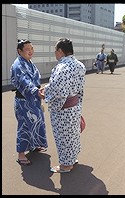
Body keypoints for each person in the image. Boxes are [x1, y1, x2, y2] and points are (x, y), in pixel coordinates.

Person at [42, 38, 86, 173]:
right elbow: (77, 87)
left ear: (60, 51)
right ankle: (72, 158)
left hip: (64, 109)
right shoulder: (79, 65)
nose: (55, 53)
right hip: (74, 106)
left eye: (55, 50)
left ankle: (66, 165)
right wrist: (48, 88)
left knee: (63, 136)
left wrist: (45, 93)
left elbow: (58, 90)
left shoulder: (62, 67)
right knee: (73, 134)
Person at [10, 39, 48, 165]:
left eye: (31, 48)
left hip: (33, 99)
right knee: (24, 126)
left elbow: (34, 81)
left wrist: (38, 90)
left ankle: (34, 145)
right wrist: (36, 91)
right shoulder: (18, 65)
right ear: (19, 51)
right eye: (27, 49)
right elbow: (24, 81)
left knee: (36, 122)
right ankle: (21, 154)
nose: (30, 51)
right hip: (23, 101)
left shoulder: (29, 62)